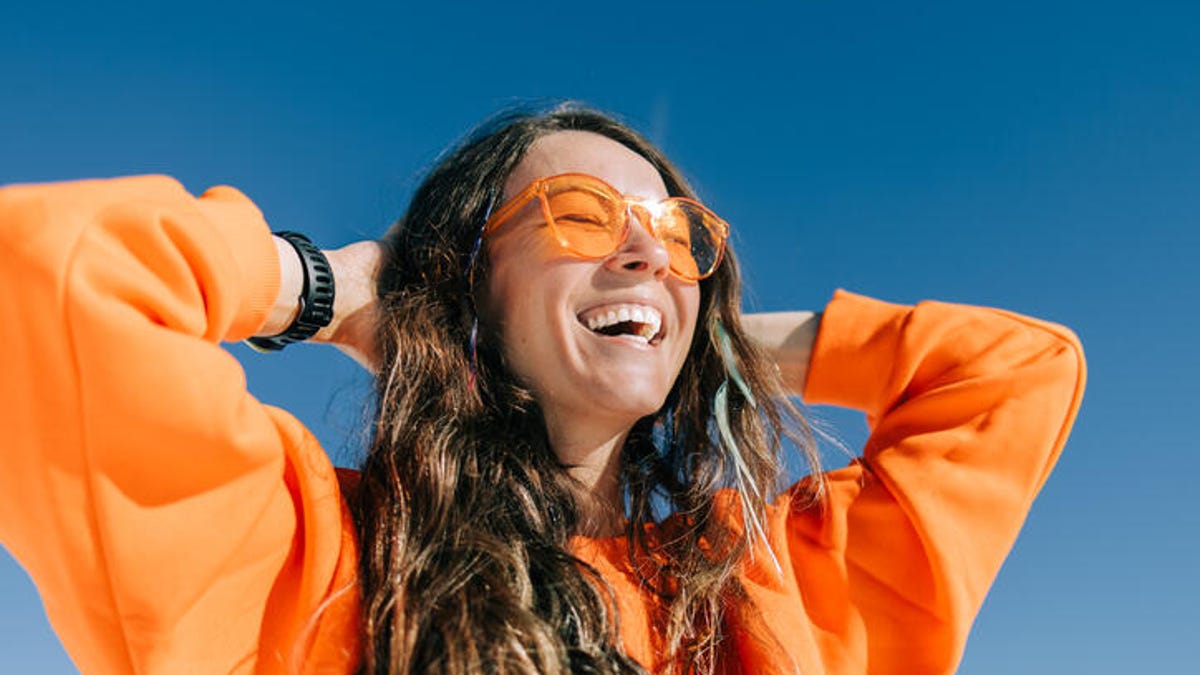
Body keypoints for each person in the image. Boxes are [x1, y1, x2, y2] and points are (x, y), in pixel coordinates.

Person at [0, 105, 1085, 674]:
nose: (646, 255)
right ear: (467, 289)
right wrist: (327, 288)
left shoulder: (776, 586)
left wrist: (699, 340)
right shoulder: (308, 560)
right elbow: (42, 276)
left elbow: (1014, 375)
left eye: (677, 238)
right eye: (577, 214)